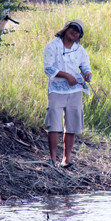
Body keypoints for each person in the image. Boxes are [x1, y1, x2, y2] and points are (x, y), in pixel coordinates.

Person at [43, 19, 92, 169]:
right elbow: (48, 68)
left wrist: (87, 73)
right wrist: (67, 76)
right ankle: (52, 159)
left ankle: (66, 160)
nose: (74, 32)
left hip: (75, 91)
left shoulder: (80, 50)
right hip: (56, 90)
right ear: (66, 29)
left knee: (72, 125)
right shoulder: (52, 46)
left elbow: (85, 66)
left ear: (79, 35)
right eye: (72, 28)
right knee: (54, 125)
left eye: (77, 31)